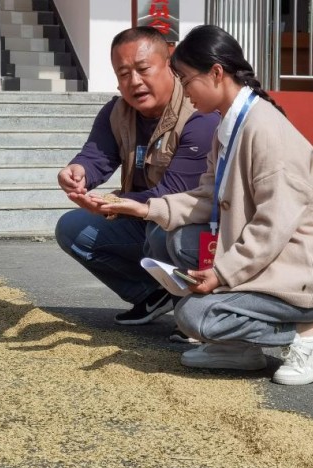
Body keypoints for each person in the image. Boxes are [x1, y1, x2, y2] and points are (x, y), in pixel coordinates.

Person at [96, 24, 313, 386]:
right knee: (176, 241)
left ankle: (307, 334)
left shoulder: (266, 131)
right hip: (269, 267)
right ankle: (239, 348)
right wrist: (145, 209)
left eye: (185, 78)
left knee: (196, 317)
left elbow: (271, 227)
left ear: (216, 73)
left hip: (299, 281)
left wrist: (222, 274)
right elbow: (207, 198)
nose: (182, 90)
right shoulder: (230, 127)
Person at [55, 27, 220, 335]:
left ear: (168, 63)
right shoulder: (116, 112)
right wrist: (78, 171)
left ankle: (194, 312)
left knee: (162, 234)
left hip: (196, 224)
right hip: (143, 215)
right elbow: (96, 156)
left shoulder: (199, 113)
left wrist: (112, 203)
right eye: (123, 73)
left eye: (143, 69)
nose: (134, 82)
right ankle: (152, 293)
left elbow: (173, 194)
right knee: (72, 228)